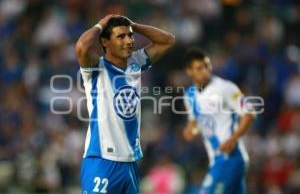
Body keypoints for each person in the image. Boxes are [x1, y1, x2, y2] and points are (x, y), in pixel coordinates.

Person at [75, 14, 175, 193]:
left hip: (130, 162)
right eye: (121, 36)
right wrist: (101, 24)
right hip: (102, 159)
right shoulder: (96, 68)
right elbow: (82, 47)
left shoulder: (136, 62)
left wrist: (133, 25)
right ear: (105, 42)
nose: (129, 40)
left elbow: (167, 41)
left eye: (130, 36)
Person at [182, 47, 255, 194]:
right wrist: (190, 132)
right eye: (199, 68)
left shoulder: (225, 87)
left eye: (207, 66)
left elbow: (249, 113)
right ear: (189, 71)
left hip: (230, 158)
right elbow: (195, 124)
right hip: (216, 159)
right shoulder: (189, 95)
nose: (205, 71)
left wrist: (233, 139)